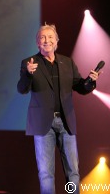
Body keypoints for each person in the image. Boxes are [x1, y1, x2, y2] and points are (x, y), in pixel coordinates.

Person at [17, 24, 101, 194]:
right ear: (37, 43)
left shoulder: (67, 62)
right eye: (42, 37)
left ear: (56, 42)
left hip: (66, 121)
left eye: (50, 37)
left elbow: (80, 87)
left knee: (73, 171)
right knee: (46, 173)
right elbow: (22, 89)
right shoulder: (29, 63)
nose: (46, 40)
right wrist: (28, 74)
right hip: (42, 124)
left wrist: (90, 81)